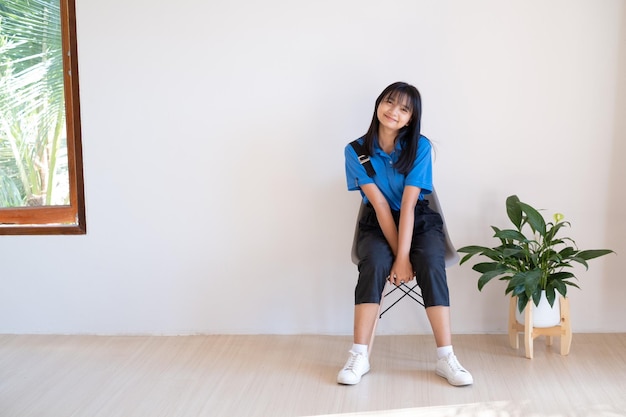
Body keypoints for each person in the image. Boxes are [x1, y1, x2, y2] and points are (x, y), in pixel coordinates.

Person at [338, 81, 473, 387]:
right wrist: (398, 257)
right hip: (378, 221)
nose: (393, 112)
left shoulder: (420, 147)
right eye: (389, 103)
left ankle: (446, 357)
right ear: (378, 104)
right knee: (372, 261)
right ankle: (359, 355)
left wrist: (404, 257)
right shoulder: (356, 151)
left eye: (403, 109)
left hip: (420, 218)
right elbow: (382, 207)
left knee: (430, 261)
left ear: (411, 118)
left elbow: (409, 206)